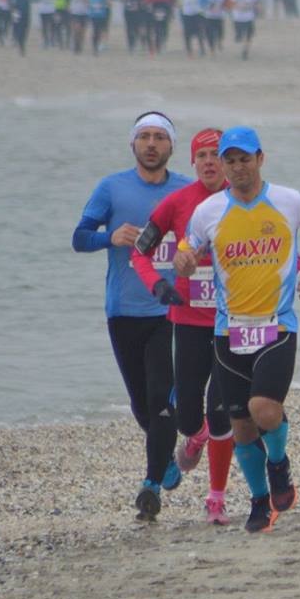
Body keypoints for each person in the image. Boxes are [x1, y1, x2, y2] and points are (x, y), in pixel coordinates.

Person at [177, 128, 300, 534]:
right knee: (241, 427)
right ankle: (260, 501)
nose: (236, 167)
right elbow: (187, 247)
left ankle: (279, 464)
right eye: (229, 161)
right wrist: (183, 261)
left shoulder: (289, 201)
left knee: (264, 409)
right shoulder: (209, 211)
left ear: (260, 159)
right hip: (229, 333)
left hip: (276, 327)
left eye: (244, 159)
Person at [74, 112, 191, 522]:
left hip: (171, 310)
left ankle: (151, 485)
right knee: (142, 406)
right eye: (145, 137)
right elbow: (79, 238)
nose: (152, 144)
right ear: (133, 145)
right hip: (123, 309)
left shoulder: (188, 191)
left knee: (160, 399)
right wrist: (110, 236)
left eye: (160, 137)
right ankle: (166, 459)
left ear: (172, 146)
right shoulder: (112, 188)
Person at [129, 128, 235, 525]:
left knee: (221, 412)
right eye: (202, 155)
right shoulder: (177, 203)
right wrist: (157, 285)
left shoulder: (244, 201)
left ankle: (216, 499)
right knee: (189, 416)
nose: (209, 162)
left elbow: (280, 251)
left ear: (228, 162)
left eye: (216, 155)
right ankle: (195, 435)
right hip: (188, 322)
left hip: (232, 323)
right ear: (192, 162)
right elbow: (140, 252)